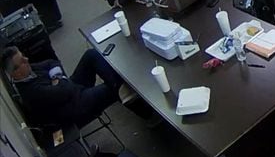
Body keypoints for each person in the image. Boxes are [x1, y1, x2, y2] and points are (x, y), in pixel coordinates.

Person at [1, 46, 158, 129]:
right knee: (111, 90)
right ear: (16, 72)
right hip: (75, 108)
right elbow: (65, 90)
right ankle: (148, 114)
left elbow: (51, 62)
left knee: (91, 55)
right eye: (22, 60)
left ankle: (123, 89)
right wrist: (59, 81)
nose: (27, 59)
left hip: (70, 89)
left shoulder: (28, 69)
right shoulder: (31, 92)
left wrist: (56, 79)